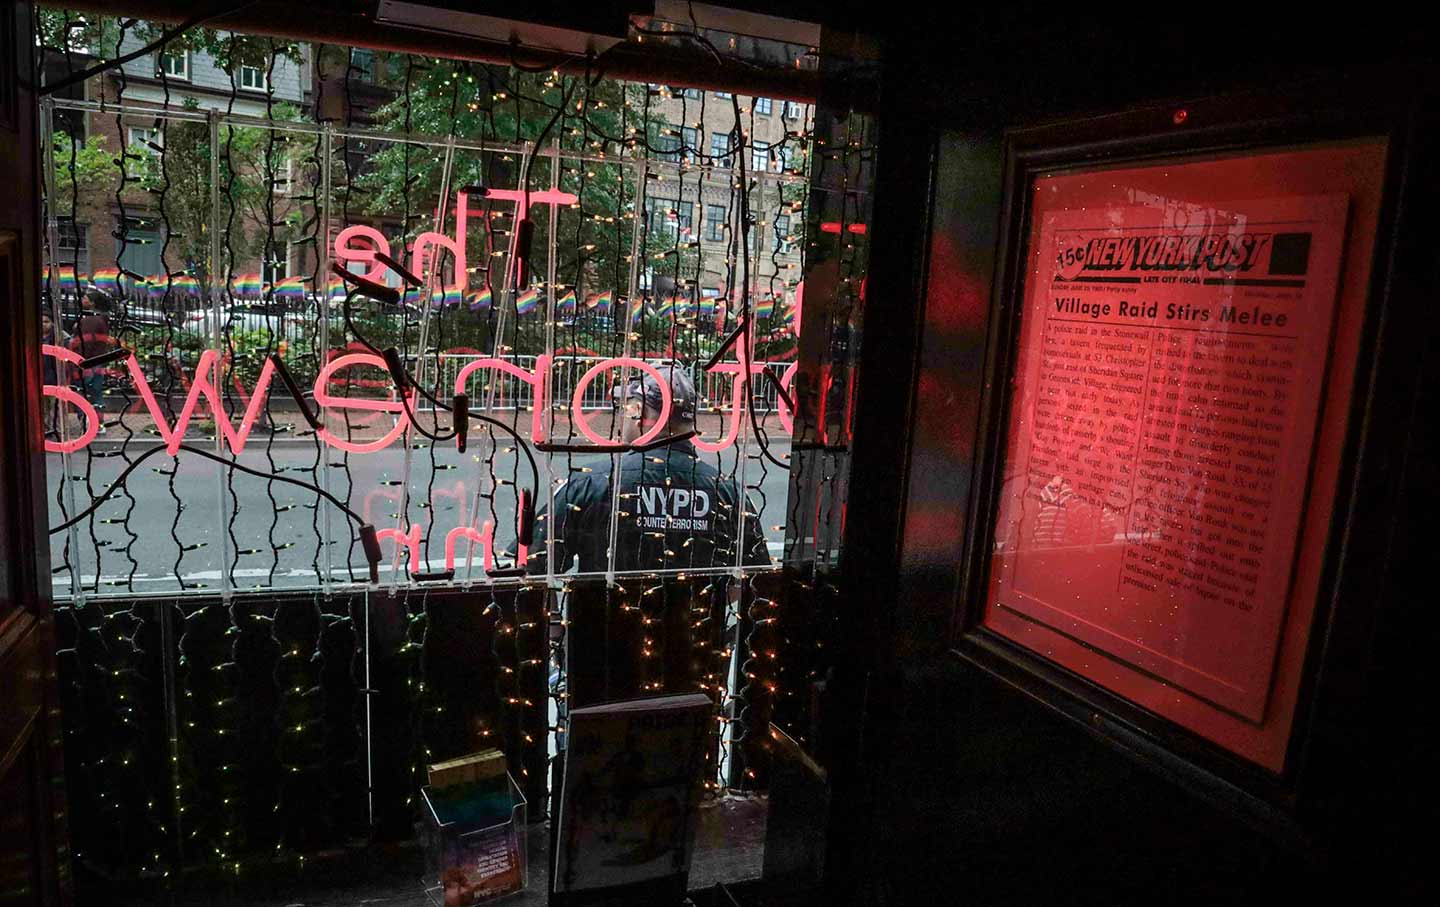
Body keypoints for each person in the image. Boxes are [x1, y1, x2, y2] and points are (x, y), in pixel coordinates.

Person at [528, 364, 772, 574]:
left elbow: (534, 572)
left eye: (626, 408)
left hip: (601, 626)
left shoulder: (587, 484)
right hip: (695, 628)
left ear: (639, 411)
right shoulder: (729, 492)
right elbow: (757, 581)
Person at [68, 288, 115, 433]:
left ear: (93, 303)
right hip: (97, 361)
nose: (82, 300)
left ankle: (85, 422)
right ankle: (98, 423)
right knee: (96, 392)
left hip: (86, 362)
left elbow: (86, 342)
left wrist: (79, 361)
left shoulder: (91, 320)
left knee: (82, 393)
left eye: (85, 298)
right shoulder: (100, 319)